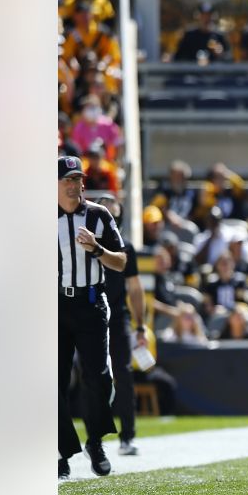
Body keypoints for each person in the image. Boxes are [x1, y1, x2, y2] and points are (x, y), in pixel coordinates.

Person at [58, 156, 127, 480]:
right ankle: (59, 451)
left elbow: (122, 261)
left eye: (77, 179)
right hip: (54, 304)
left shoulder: (99, 215)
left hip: (90, 302)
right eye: (67, 180)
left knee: (98, 375)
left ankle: (95, 441)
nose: (74, 185)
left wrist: (97, 250)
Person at [90, 193, 147, 456]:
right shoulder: (80, 243)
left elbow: (135, 289)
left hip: (118, 315)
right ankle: (94, 438)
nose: (107, 212)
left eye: (111, 208)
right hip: (89, 314)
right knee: (89, 377)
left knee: (123, 374)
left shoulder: (126, 249)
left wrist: (140, 326)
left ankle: (127, 436)